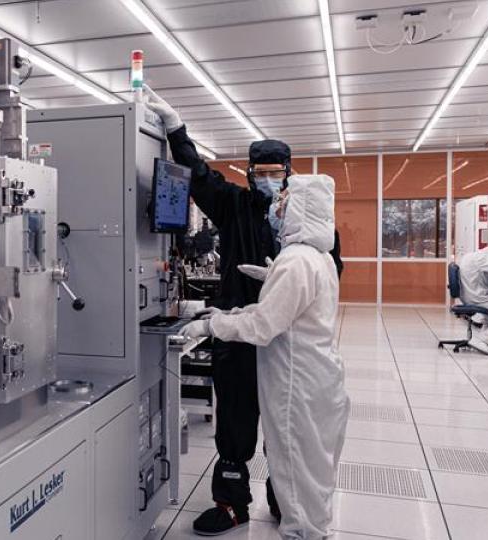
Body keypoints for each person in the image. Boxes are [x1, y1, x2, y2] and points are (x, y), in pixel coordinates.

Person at [144, 85, 343, 535]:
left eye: (277, 173)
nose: (269, 181)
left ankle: (283, 495)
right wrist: (177, 129)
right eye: (261, 172)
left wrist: (286, 291)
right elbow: (198, 175)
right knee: (235, 417)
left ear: (289, 175)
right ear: (250, 174)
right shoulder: (236, 206)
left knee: (285, 423)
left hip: (286, 346)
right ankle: (232, 501)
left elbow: (327, 281)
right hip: (238, 337)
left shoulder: (312, 231)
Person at [181, 174, 350, 540]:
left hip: (296, 388)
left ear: (301, 209)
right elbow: (290, 313)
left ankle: (304, 533)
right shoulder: (318, 256)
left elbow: (264, 327)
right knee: (311, 475)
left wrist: (214, 326)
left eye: (285, 202)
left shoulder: (296, 262)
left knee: (295, 474)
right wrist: (259, 291)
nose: (278, 207)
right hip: (319, 380)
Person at [458, 244, 488, 354]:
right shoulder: (481, 258)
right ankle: (483, 340)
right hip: (477, 297)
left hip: (469, 295)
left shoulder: (471, 256)